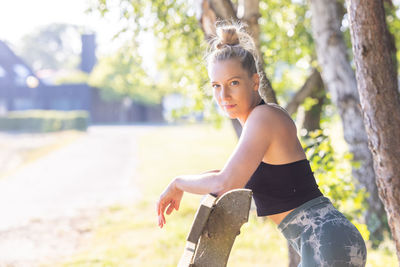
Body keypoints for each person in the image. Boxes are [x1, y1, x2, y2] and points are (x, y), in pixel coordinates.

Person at [157, 22, 367, 266]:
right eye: (216, 86)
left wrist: (177, 183)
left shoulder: (263, 118)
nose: (223, 96)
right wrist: (185, 183)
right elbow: (229, 178)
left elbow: (226, 183)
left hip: (324, 240)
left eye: (233, 83)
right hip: (325, 238)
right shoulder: (259, 120)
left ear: (255, 82)